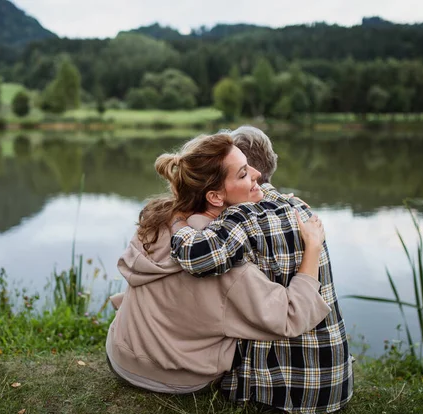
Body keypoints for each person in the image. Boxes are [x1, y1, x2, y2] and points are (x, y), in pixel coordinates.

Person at [106, 133, 331, 397]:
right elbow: (291, 316)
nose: (258, 174)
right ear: (214, 196)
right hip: (177, 378)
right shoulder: (222, 259)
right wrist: (313, 247)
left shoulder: (161, 217)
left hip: (120, 357)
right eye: (244, 173)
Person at [169, 126, 353, 414]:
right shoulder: (300, 208)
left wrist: (178, 220)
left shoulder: (243, 218)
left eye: (245, 171)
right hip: (333, 381)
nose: (249, 176)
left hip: (284, 390)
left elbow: (195, 257)